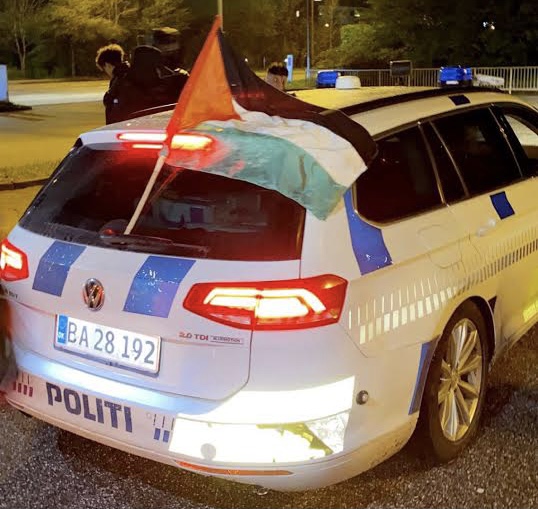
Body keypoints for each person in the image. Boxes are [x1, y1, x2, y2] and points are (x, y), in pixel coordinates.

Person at [95, 43, 134, 124]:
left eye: (104, 69)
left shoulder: (119, 80)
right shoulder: (131, 74)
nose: (107, 73)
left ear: (107, 65)